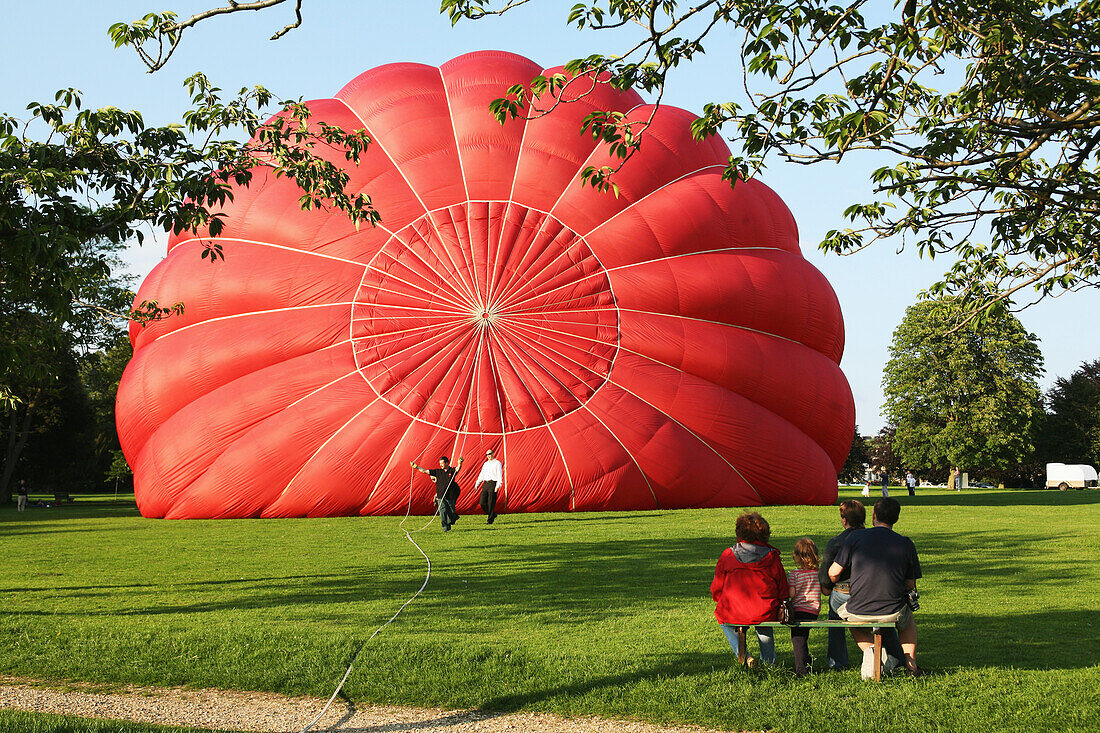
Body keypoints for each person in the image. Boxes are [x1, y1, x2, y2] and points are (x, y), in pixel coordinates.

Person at [828, 497, 924, 680]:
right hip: (893, 610)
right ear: (896, 518)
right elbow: (910, 584)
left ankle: (871, 649)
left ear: (874, 515)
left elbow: (833, 572)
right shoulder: (905, 543)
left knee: (846, 618)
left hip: (859, 609)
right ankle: (910, 663)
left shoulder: (855, 538)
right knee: (908, 621)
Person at [819, 500, 905, 673]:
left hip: (847, 593)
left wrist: (827, 587)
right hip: (879, 592)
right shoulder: (876, 538)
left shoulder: (838, 542)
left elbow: (829, 576)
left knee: (835, 611)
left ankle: (838, 661)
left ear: (844, 520)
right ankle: (897, 660)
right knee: (884, 615)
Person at [710, 512, 788, 667]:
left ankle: (745, 656)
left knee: (723, 619)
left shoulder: (728, 555)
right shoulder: (772, 557)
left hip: (734, 609)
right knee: (765, 625)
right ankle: (769, 662)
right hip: (765, 609)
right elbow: (782, 586)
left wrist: (720, 600)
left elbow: (717, 587)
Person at [787, 538, 821, 676]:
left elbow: (792, 594)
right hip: (813, 611)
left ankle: (802, 670)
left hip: (799, 611)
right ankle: (807, 661)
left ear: (797, 556)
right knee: (803, 636)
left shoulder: (795, 574)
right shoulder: (818, 573)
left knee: (798, 639)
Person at [411, 456, 463, 531]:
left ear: (447, 463)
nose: (441, 465)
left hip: (450, 495)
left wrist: (460, 463)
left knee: (452, 512)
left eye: (442, 463)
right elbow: (425, 471)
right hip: (441, 495)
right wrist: (416, 466)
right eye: (440, 463)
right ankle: (445, 528)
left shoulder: (452, 470)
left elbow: (458, 468)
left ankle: (452, 519)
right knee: (442, 511)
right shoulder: (438, 472)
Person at [475, 449, 503, 524]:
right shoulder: (485, 464)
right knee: (482, 502)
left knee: (491, 503)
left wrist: (497, 486)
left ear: (493, 454)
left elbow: (499, 475)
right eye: (487, 454)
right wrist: (477, 483)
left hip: (493, 483)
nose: (488, 456)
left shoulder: (497, 463)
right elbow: (482, 474)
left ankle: (490, 520)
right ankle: (492, 514)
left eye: (490, 454)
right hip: (485, 483)